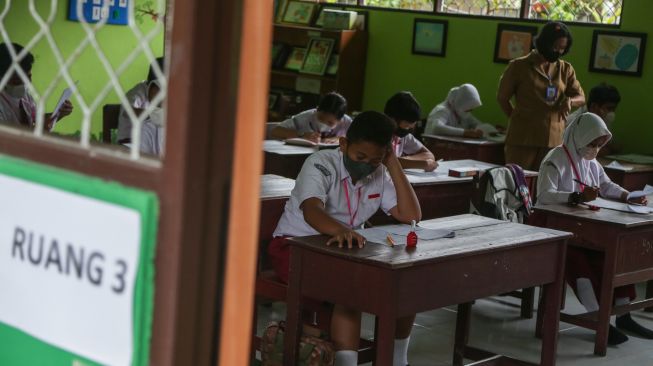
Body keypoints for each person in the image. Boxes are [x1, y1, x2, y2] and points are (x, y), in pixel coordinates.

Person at [269, 111, 421, 366]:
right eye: (360, 157)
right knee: (349, 288)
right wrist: (341, 230)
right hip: (295, 246)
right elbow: (312, 210)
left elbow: (410, 215)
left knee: (404, 286)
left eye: (375, 159)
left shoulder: (379, 172)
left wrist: (392, 164)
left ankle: (396, 360)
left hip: (346, 250)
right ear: (343, 144)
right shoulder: (321, 163)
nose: (366, 164)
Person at [537, 112, 652, 345]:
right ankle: (600, 321)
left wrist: (628, 195)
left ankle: (624, 316)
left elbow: (606, 185)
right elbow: (544, 195)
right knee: (578, 262)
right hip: (555, 230)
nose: (595, 149)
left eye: (600, 144)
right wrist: (577, 195)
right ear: (580, 137)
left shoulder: (590, 162)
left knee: (617, 257)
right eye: (592, 143)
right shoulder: (555, 158)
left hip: (584, 227)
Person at [497, 21, 585, 171]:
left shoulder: (565, 69)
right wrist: (517, 118)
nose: (558, 52)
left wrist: (570, 101)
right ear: (544, 43)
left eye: (562, 49)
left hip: (553, 140)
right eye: (555, 47)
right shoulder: (519, 66)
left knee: (545, 185)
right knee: (518, 183)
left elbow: (581, 97)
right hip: (523, 138)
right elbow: (502, 98)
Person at [0, 42, 73, 129]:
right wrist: (39, 129)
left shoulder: (25, 95)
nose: (27, 83)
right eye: (17, 80)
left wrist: (58, 114)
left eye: (29, 76)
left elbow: (34, 119)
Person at [384, 91, 438, 172]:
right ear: (392, 119)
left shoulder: (403, 136)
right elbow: (384, 161)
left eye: (411, 126)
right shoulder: (378, 132)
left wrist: (404, 160)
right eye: (407, 126)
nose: (408, 129)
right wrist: (420, 164)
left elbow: (429, 155)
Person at [271, 92, 352, 143]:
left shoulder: (346, 122)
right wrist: (302, 135)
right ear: (317, 110)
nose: (324, 124)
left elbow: (357, 140)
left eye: (330, 123)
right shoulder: (304, 118)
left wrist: (338, 139)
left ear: (340, 120)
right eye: (321, 118)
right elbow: (276, 131)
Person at [117, 56, 164, 144]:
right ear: (151, 84)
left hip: (151, 142)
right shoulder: (137, 93)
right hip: (129, 142)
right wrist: (156, 116)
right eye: (159, 88)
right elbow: (128, 112)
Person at [425, 83, 499, 138]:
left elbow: (479, 125)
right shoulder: (442, 110)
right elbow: (436, 127)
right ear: (461, 103)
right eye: (468, 109)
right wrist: (465, 132)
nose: (470, 111)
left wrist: (493, 131)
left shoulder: (461, 111)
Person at [566, 83, 621, 156]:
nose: (611, 113)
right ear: (594, 106)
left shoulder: (603, 119)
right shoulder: (574, 121)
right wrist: (608, 149)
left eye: (613, 109)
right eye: (609, 108)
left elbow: (608, 145)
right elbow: (587, 151)